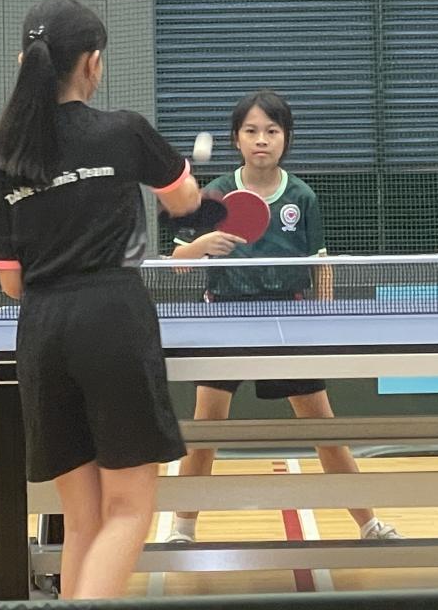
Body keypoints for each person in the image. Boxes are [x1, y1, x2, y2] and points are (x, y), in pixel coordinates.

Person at [0, 0, 201, 600]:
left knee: (83, 520)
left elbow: (11, 283)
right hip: (112, 320)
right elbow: (184, 201)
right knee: (128, 510)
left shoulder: (1, 161)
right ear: (93, 63)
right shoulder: (123, 131)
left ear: (24, 62)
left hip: (43, 331)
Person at [166, 89, 402, 544]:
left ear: (285, 138)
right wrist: (202, 245)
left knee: (324, 429)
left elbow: (320, 266)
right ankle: (182, 529)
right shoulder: (215, 194)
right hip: (226, 320)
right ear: (236, 139)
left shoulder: (301, 196)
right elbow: (177, 262)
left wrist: (323, 322)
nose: (262, 140)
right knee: (204, 431)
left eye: (272, 131)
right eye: (251, 131)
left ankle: (369, 524)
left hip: (288, 322)